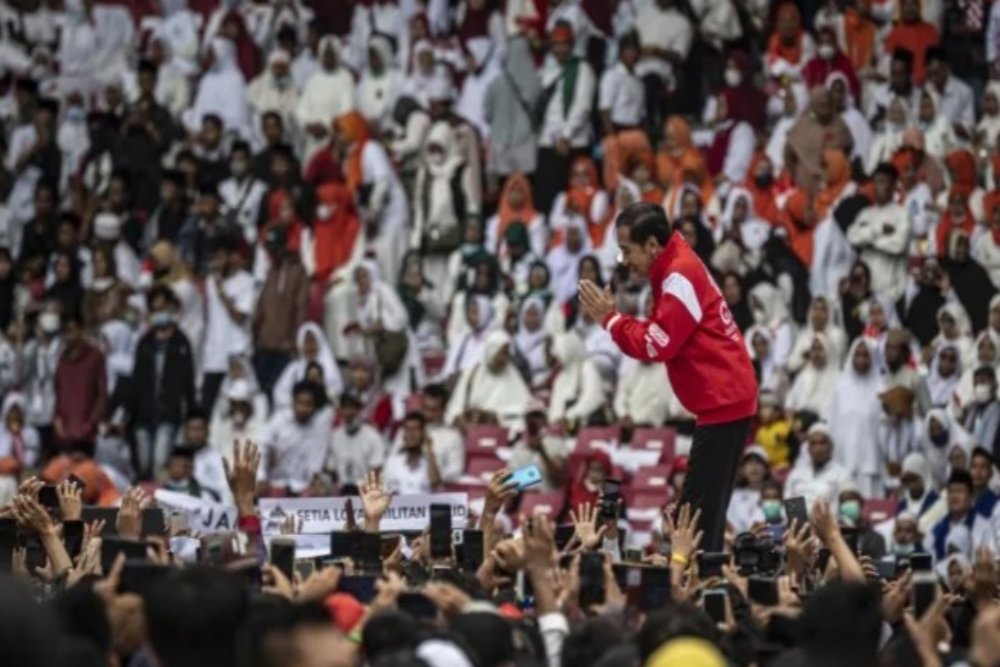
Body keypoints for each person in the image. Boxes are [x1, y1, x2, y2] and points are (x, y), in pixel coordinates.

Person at [578, 202, 757, 550]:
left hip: (724, 403)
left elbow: (656, 345)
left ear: (652, 246)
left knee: (695, 525)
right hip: (724, 400)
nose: (623, 260)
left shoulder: (678, 275)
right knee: (701, 518)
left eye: (626, 250)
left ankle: (702, 593)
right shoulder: (674, 265)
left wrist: (611, 320)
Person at [128, 285, 197, 481]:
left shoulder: (181, 342)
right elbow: (136, 379)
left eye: (163, 308)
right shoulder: (145, 342)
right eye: (155, 310)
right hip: (143, 413)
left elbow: (188, 381)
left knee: (160, 461)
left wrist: (190, 412)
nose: (159, 314)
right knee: (143, 464)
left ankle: (157, 507)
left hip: (168, 412)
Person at [202, 232, 256, 414]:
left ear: (232, 256)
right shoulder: (210, 281)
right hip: (213, 356)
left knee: (235, 410)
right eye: (213, 257)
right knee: (208, 409)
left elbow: (240, 317)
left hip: (237, 353)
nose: (216, 261)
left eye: (220, 256)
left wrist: (221, 291)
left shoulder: (247, 282)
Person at [258, 379, 332, 494]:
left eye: (308, 404)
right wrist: (261, 477)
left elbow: (316, 461)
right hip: (275, 483)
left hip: (302, 487)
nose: (302, 408)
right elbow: (262, 445)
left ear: (315, 407)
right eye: (299, 403)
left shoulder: (319, 428)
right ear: (293, 402)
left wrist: (312, 484)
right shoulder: (279, 419)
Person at [53, 311, 107, 447]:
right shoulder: (62, 360)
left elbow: (102, 394)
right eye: (65, 332)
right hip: (65, 432)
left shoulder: (95, 357)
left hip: (86, 433)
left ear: (81, 330)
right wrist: (57, 418)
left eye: (71, 331)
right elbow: (58, 391)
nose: (68, 336)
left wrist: (92, 422)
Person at [926, 469, 995, 560]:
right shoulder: (936, 529)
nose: (954, 496)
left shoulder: (984, 528)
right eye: (951, 491)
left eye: (959, 491)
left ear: (971, 496)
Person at [784, 422, 851, 509]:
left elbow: (846, 507)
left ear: (831, 446)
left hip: (828, 521)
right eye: (814, 444)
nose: (818, 449)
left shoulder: (841, 475)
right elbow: (788, 502)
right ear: (808, 448)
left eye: (822, 443)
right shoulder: (796, 474)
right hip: (799, 521)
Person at [327, 392, 386, 489]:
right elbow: (331, 469)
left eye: (352, 407)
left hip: (365, 492)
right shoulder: (335, 436)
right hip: (341, 493)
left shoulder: (373, 436)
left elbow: (376, 470)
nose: (349, 413)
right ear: (340, 410)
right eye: (345, 407)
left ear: (359, 410)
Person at [508, 398, 568, 492]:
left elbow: (558, 480)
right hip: (523, 500)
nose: (533, 420)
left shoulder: (557, 443)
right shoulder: (519, 447)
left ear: (545, 419)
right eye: (530, 417)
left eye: (537, 416)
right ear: (525, 420)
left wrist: (542, 451)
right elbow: (512, 483)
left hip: (548, 499)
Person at [382, 411, 443, 494]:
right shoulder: (392, 462)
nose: (411, 434)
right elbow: (385, 493)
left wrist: (429, 448)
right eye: (407, 429)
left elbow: (436, 485)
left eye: (415, 429)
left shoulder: (430, 462)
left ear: (423, 433)